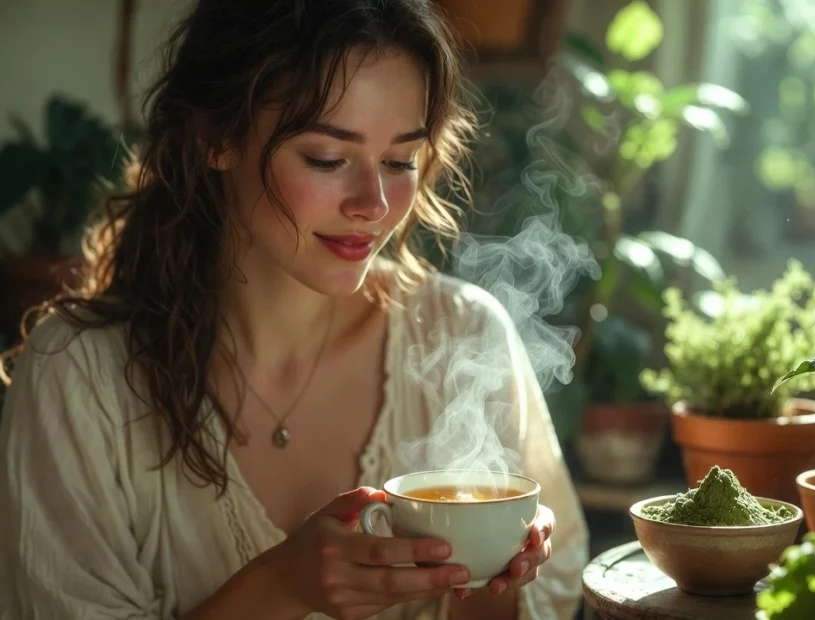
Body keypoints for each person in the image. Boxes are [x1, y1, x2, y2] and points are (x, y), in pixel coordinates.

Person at [0, 1, 589, 619]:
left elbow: (544, 594)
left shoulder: (462, 333)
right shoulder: (79, 377)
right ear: (216, 138)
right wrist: (282, 586)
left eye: (399, 161)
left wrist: (496, 574)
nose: (375, 203)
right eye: (328, 159)